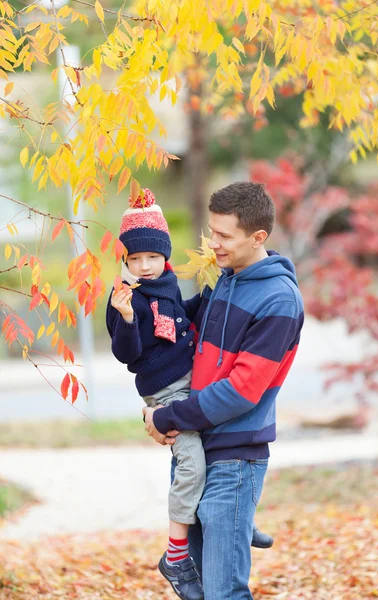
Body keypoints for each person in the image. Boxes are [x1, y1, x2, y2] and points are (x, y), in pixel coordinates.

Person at [106, 186, 273, 600]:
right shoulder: (128, 298)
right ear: (125, 260)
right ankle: (176, 554)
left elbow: (183, 315)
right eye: (134, 259)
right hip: (165, 394)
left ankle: (235, 520)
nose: (144, 266)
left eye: (152, 257)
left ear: (164, 256)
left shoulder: (165, 285)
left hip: (186, 389)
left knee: (198, 466)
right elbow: (128, 355)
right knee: (193, 467)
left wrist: (214, 292)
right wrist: (125, 317)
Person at [143, 181, 305, 600]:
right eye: (211, 231)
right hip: (195, 447)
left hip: (234, 459)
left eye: (224, 236)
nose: (213, 243)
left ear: (258, 237)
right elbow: (181, 340)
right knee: (199, 588)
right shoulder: (224, 281)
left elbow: (241, 392)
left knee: (222, 593)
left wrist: (167, 418)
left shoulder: (278, 300)